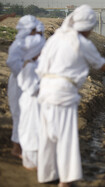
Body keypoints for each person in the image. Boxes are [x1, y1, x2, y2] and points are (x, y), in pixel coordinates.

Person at [35, 5, 105, 187]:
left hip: (44, 90)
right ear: (88, 26)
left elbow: (41, 64)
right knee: (66, 136)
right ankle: (66, 180)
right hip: (63, 93)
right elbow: (101, 66)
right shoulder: (81, 43)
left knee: (48, 135)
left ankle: (47, 175)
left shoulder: (56, 38)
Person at [6, 15, 39, 158]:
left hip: (28, 81)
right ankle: (16, 148)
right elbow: (12, 63)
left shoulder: (29, 42)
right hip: (19, 82)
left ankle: (24, 147)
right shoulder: (18, 44)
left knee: (27, 115)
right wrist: (26, 67)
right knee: (19, 115)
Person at [17, 34, 45, 170]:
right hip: (32, 102)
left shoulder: (30, 64)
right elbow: (32, 88)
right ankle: (32, 163)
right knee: (33, 130)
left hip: (32, 102)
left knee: (31, 129)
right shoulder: (29, 67)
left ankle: (33, 162)